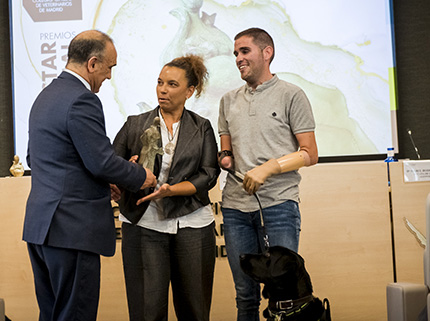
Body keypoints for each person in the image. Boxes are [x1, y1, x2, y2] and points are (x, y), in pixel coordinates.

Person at [23, 30, 157, 321]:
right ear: (93, 63)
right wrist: (141, 176)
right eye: (110, 67)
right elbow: (101, 162)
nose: (109, 76)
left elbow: (40, 159)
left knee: (53, 314)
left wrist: (101, 180)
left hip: (42, 228)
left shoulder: (45, 96)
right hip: (71, 229)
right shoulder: (82, 99)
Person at [218, 27, 318, 320]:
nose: (238, 58)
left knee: (285, 294)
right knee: (245, 295)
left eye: (244, 51)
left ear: (267, 52)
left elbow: (310, 153)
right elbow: (227, 150)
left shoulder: (292, 95)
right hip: (236, 208)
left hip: (279, 205)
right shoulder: (227, 100)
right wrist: (224, 158)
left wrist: (270, 167)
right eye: (235, 53)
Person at [112, 54, 220, 321]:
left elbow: (209, 174)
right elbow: (111, 165)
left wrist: (171, 190)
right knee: (147, 311)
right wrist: (127, 170)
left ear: (190, 91)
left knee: (195, 310)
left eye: (172, 84)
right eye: (160, 82)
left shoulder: (202, 127)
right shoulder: (135, 123)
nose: (163, 89)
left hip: (192, 224)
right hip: (143, 224)